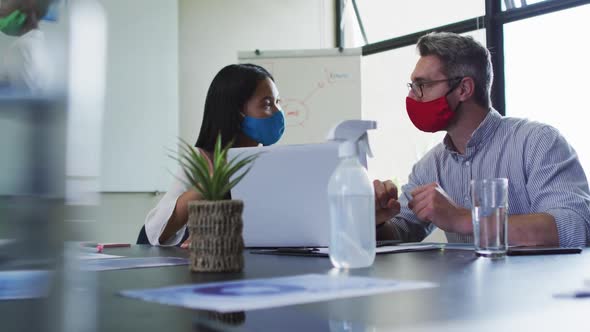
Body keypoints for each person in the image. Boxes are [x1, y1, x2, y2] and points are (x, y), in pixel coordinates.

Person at [374, 32, 590, 247]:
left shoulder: (537, 142)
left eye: (422, 85)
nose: (412, 97)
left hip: (539, 281)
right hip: (465, 282)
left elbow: (575, 226)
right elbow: (400, 230)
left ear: (464, 89)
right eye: (412, 86)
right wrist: (376, 220)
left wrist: (463, 219)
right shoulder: (429, 166)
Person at [144, 63, 284, 247]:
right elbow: (156, 232)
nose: (278, 112)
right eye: (267, 104)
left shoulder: (274, 160)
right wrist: (215, 178)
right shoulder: (200, 160)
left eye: (278, 102)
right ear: (236, 111)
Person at [0, 0, 53, 92]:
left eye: (5, 1)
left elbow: (20, 99)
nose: (0, 6)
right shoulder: (37, 43)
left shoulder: (22, 47)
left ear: (27, 5)